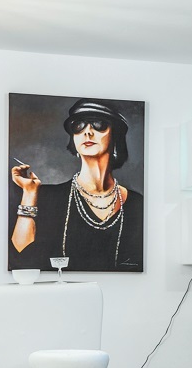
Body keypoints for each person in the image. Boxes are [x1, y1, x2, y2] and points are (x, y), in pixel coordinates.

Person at [10, 98, 143, 272]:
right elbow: (21, 256)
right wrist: (29, 193)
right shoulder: (46, 197)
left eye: (99, 124)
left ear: (115, 134)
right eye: (78, 126)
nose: (87, 132)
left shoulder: (137, 204)